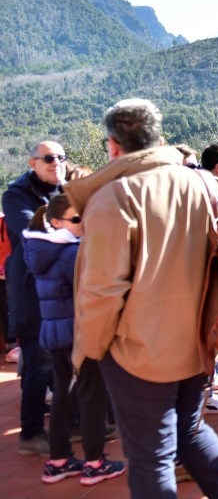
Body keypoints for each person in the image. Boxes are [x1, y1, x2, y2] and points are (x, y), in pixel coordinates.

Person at [66, 99, 218, 498]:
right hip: (199, 341)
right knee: (191, 433)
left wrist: (89, 351)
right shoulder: (206, 184)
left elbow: (102, 291)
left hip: (138, 353)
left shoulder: (114, 197)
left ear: (113, 145)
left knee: (152, 458)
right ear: (159, 139)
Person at [22, 195, 125, 485]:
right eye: (76, 218)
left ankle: (59, 461)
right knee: (92, 397)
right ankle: (94, 463)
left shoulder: (42, 250)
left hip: (55, 335)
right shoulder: (71, 253)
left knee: (64, 397)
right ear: (56, 222)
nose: (82, 223)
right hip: (79, 335)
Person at [2, 140, 65, 457]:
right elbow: (34, 232)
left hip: (60, 291)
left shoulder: (65, 191)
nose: (57, 163)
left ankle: (73, 423)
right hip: (31, 293)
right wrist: (72, 228)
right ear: (33, 163)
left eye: (62, 157)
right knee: (39, 363)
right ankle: (31, 434)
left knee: (61, 362)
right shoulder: (16, 195)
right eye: (49, 158)